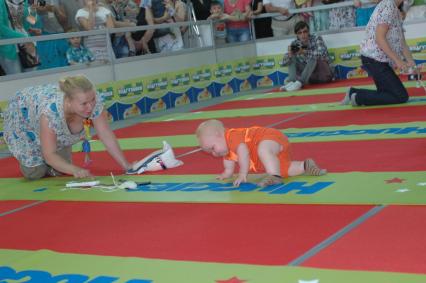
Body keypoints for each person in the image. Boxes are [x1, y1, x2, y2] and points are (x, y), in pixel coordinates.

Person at [3, 75, 133, 180]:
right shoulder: (50, 113)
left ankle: (52, 157)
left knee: (60, 169)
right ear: (69, 102)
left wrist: (126, 165)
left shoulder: (92, 101)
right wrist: (75, 170)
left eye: (92, 100)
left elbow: (105, 134)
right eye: (84, 104)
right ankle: (37, 161)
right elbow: (49, 155)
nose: (90, 107)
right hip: (23, 114)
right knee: (35, 173)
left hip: (53, 118)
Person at [196, 119, 327, 187]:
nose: (214, 153)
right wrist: (227, 173)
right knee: (284, 169)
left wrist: (242, 173)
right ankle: (305, 165)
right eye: (210, 152)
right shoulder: (226, 150)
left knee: (263, 150)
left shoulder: (231, 136)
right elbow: (228, 161)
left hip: (269, 137)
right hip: (273, 150)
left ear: (220, 135)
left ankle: (274, 176)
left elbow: (243, 152)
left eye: (213, 148)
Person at [341, 0, 416, 106]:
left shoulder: (395, 9)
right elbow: (379, 38)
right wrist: (398, 60)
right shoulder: (388, 6)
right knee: (400, 96)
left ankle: (354, 93)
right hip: (374, 59)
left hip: (377, 59)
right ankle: (358, 98)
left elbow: (401, 41)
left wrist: (410, 61)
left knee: (389, 93)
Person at [281, 21, 334, 91]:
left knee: (314, 57)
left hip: (324, 74)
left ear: (308, 32)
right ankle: (292, 82)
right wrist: (289, 56)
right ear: (297, 35)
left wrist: (304, 52)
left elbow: (322, 54)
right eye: (300, 33)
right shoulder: (295, 43)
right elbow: (283, 63)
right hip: (309, 77)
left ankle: (299, 83)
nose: (303, 35)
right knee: (292, 57)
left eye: (305, 32)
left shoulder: (316, 38)